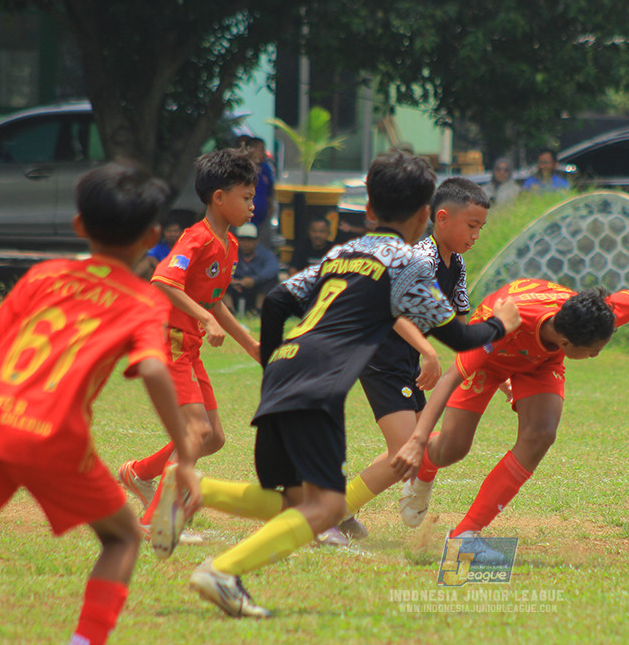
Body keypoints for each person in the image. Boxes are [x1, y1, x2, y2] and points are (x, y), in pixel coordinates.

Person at [153, 151, 519, 618]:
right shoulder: (407, 261)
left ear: (368, 209)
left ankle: (196, 490)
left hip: (288, 369)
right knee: (325, 509)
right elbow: (462, 337)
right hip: (318, 381)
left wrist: (274, 364)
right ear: (426, 215)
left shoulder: (344, 252)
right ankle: (223, 570)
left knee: (301, 502)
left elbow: (277, 301)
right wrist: (502, 324)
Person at [0, 163, 202, 645]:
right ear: (152, 237)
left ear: (79, 225)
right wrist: (185, 456)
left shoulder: (44, 275)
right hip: (53, 437)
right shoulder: (144, 301)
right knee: (122, 538)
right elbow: (155, 370)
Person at [392, 278, 629, 560]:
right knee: (453, 448)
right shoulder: (502, 326)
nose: (596, 355)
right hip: (492, 357)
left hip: (540, 361)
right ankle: (423, 472)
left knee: (541, 434)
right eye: (593, 351)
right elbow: (449, 379)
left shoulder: (591, 316)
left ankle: (465, 534)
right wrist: (418, 440)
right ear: (566, 343)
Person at [325, 177, 494, 546]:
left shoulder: (456, 264)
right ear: (442, 218)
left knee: (413, 447)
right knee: (407, 452)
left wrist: (498, 368)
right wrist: (429, 352)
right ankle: (327, 516)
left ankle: (337, 507)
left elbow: (461, 326)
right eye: (471, 225)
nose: (476, 235)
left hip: (404, 359)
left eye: (481, 228)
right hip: (379, 355)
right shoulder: (420, 258)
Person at [117, 148, 261, 535]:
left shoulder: (230, 246)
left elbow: (214, 301)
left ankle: (139, 474)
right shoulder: (196, 238)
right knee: (197, 433)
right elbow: (163, 282)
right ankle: (154, 520)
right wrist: (205, 319)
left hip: (190, 347)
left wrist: (250, 344)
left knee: (213, 438)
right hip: (169, 343)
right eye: (246, 197)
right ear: (219, 197)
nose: (253, 206)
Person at [226, 222, 280, 315]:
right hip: (235, 285)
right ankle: (229, 310)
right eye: (243, 240)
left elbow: (273, 268)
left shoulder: (265, 253)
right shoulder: (230, 252)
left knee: (271, 280)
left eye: (250, 240)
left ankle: (258, 310)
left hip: (256, 287)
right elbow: (221, 268)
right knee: (220, 283)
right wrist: (230, 280)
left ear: (257, 240)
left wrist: (254, 280)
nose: (246, 244)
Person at [133, 212, 186, 280]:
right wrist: (161, 269)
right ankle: (129, 279)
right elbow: (150, 258)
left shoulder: (185, 248)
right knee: (149, 267)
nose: (172, 234)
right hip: (162, 277)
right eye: (169, 231)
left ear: (181, 232)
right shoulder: (160, 246)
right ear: (164, 232)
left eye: (175, 231)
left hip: (177, 280)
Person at [245, 137, 276, 249]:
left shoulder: (266, 168)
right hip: (245, 218)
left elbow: (270, 191)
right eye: (261, 149)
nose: (263, 152)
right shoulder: (242, 168)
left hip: (263, 218)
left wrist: (270, 209)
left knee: (263, 247)